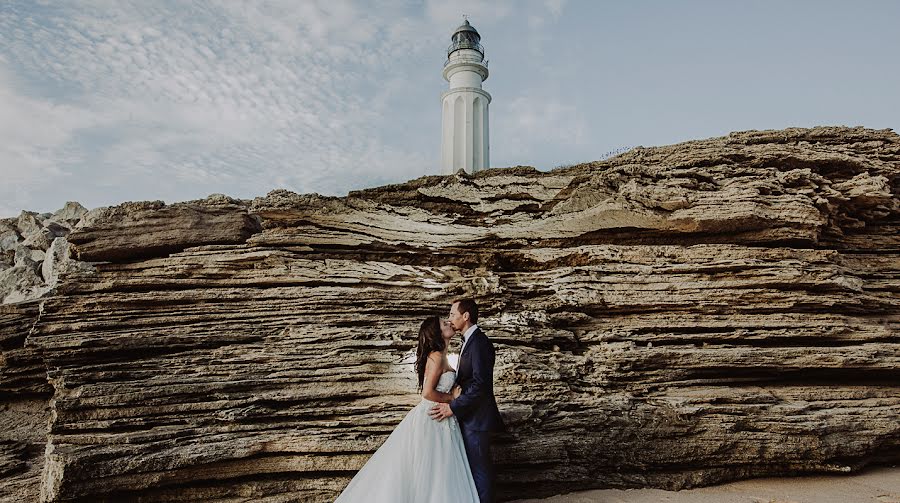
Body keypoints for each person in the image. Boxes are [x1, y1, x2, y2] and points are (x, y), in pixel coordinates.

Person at [333, 316, 479, 503]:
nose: (449, 323)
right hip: (433, 417)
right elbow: (427, 393)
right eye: (444, 323)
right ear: (437, 333)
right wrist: (452, 398)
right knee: (431, 468)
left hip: (443, 417)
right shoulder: (436, 357)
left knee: (440, 468)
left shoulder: (442, 355)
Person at [430, 298, 504, 503]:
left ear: (466, 316)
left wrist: (453, 407)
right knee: (473, 469)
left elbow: (480, 385)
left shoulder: (480, 343)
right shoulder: (468, 341)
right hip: (469, 417)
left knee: (481, 471)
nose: (450, 319)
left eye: (453, 314)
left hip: (477, 419)